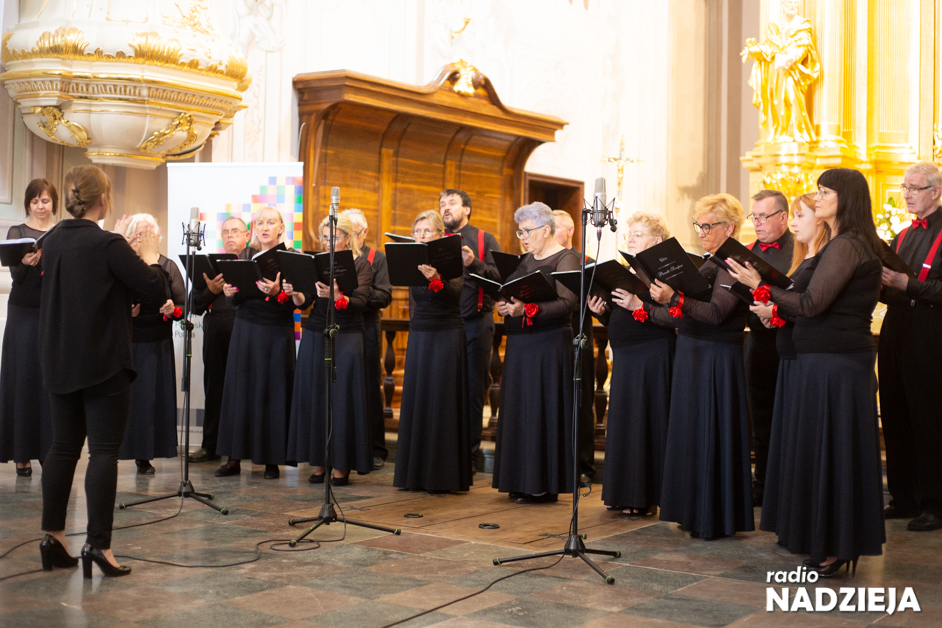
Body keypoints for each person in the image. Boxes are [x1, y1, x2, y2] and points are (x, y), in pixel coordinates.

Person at [729, 168, 885, 577]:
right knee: (824, 452)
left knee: (833, 453)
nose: (818, 198)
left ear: (846, 197)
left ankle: (836, 544)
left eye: (825, 192)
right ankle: (827, 539)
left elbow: (813, 304)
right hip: (824, 359)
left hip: (837, 362)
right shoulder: (841, 243)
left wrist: (761, 284)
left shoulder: (849, 244)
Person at [39, 165, 169, 578]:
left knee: (62, 448)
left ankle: (53, 537)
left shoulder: (51, 239)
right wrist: (150, 257)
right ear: (103, 200)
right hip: (102, 362)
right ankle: (99, 544)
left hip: (58, 359)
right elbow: (154, 285)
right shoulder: (108, 243)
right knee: (103, 453)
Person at [642, 193, 753, 539]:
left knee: (710, 433)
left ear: (729, 227)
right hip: (693, 352)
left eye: (708, 226)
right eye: (698, 225)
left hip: (715, 357)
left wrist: (674, 297)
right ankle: (692, 510)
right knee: (691, 433)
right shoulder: (711, 260)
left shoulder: (735, 262)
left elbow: (717, 313)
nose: (701, 232)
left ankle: (712, 516)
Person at [491, 202, 580, 504]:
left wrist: (529, 309)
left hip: (549, 344)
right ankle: (519, 479)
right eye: (520, 232)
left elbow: (568, 304)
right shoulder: (525, 260)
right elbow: (512, 294)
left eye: (527, 231)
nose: (523, 237)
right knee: (519, 410)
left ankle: (543, 484)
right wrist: (505, 306)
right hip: (521, 344)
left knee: (543, 410)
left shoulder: (566, 258)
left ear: (546, 229)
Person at [587, 211, 675, 516]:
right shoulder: (625, 271)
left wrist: (640, 306)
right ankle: (621, 492)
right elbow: (619, 314)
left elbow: (676, 317)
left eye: (638, 235)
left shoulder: (666, 273)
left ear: (657, 240)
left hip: (652, 353)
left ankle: (645, 497)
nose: (631, 240)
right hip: (625, 354)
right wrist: (601, 312)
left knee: (646, 423)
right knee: (623, 423)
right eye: (629, 235)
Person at [755, 193, 828, 544]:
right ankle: (790, 517)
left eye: (800, 216)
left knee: (802, 442)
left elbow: (811, 307)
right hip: (784, 355)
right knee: (782, 438)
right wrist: (774, 313)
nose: (794, 223)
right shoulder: (805, 257)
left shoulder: (825, 258)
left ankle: (805, 521)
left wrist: (771, 303)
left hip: (803, 359)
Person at [286, 215, 373, 485]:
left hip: (347, 334)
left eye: (332, 237)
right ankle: (320, 461)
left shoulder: (361, 265)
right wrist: (295, 292)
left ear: (348, 237)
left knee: (342, 398)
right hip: (316, 332)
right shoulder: (318, 262)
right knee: (317, 397)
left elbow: (360, 301)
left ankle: (342, 464)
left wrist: (337, 296)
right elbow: (306, 301)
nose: (327, 242)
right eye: (324, 237)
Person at [879, 161, 942, 532]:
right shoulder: (901, 235)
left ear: (935, 191)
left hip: (930, 332)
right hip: (896, 329)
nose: (906, 194)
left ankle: (935, 503)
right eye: (904, 188)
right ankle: (903, 497)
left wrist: (908, 285)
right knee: (895, 412)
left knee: (928, 417)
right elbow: (891, 288)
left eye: (915, 188)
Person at [216, 207, 296, 480]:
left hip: (276, 331)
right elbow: (236, 299)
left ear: (281, 227)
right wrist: (230, 293)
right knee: (240, 392)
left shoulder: (291, 256)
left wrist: (277, 292)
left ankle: (272, 460)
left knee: (272, 393)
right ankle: (233, 458)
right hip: (246, 329)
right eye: (260, 222)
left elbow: (301, 301)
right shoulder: (245, 256)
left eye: (270, 222)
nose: (264, 227)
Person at [394, 210, 471, 492]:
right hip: (420, 333)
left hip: (446, 333)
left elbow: (455, 294)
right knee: (419, 398)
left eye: (427, 231)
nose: (421, 236)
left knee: (442, 399)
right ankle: (415, 474)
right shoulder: (414, 259)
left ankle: (443, 476)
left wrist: (437, 277)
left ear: (440, 234)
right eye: (417, 232)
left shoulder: (451, 258)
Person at [439, 189, 501, 470]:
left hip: (476, 323)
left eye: (452, 203)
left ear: (467, 209)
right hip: (444, 325)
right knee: (444, 390)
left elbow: (501, 280)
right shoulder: (438, 240)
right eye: (442, 204)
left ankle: (470, 458)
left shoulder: (484, 238)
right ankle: (446, 454)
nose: (445, 208)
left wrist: (473, 263)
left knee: (473, 390)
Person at [119, 214, 185, 475]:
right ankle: (126, 450)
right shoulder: (125, 265)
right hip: (130, 343)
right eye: (138, 233)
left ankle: (146, 455)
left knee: (153, 401)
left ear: (157, 236)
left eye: (149, 233)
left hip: (159, 343)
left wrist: (172, 309)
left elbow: (182, 306)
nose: (143, 238)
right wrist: (126, 311)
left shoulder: (168, 266)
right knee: (133, 401)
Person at [0, 179, 57, 477]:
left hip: (51, 313)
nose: (40, 206)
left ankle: (47, 449)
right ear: (28, 204)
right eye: (35, 201)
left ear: (53, 203)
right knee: (22, 379)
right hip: (22, 313)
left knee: (48, 381)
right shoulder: (17, 233)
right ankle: (21, 454)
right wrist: (25, 263)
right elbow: (16, 278)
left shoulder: (59, 234)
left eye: (45, 200)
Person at [742, 189, 794, 506]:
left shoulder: (799, 249)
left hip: (789, 344)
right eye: (755, 216)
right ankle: (761, 482)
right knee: (760, 417)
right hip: (758, 343)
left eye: (764, 216)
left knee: (788, 417)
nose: (758, 222)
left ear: (783, 217)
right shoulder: (746, 251)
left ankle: (787, 484)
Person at [188, 217, 250, 463]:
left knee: (244, 388)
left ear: (247, 235)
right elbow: (193, 305)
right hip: (214, 328)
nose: (230, 236)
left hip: (244, 328)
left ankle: (244, 447)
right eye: (225, 232)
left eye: (235, 231)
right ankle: (211, 446)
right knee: (214, 387)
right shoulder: (210, 266)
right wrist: (210, 291)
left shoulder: (253, 263)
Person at [340, 209, 393, 470]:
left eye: (354, 233)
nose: (349, 238)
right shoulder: (336, 257)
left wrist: (358, 292)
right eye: (344, 233)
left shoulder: (376, 258)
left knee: (369, 388)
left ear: (364, 233)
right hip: (341, 327)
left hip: (367, 327)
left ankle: (375, 449)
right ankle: (341, 447)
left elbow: (384, 296)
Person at [552, 210, 596, 480]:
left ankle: (583, 466)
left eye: (555, 227)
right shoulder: (544, 260)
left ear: (570, 230)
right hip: (552, 338)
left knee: (581, 401)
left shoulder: (586, 262)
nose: (551, 231)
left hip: (580, 336)